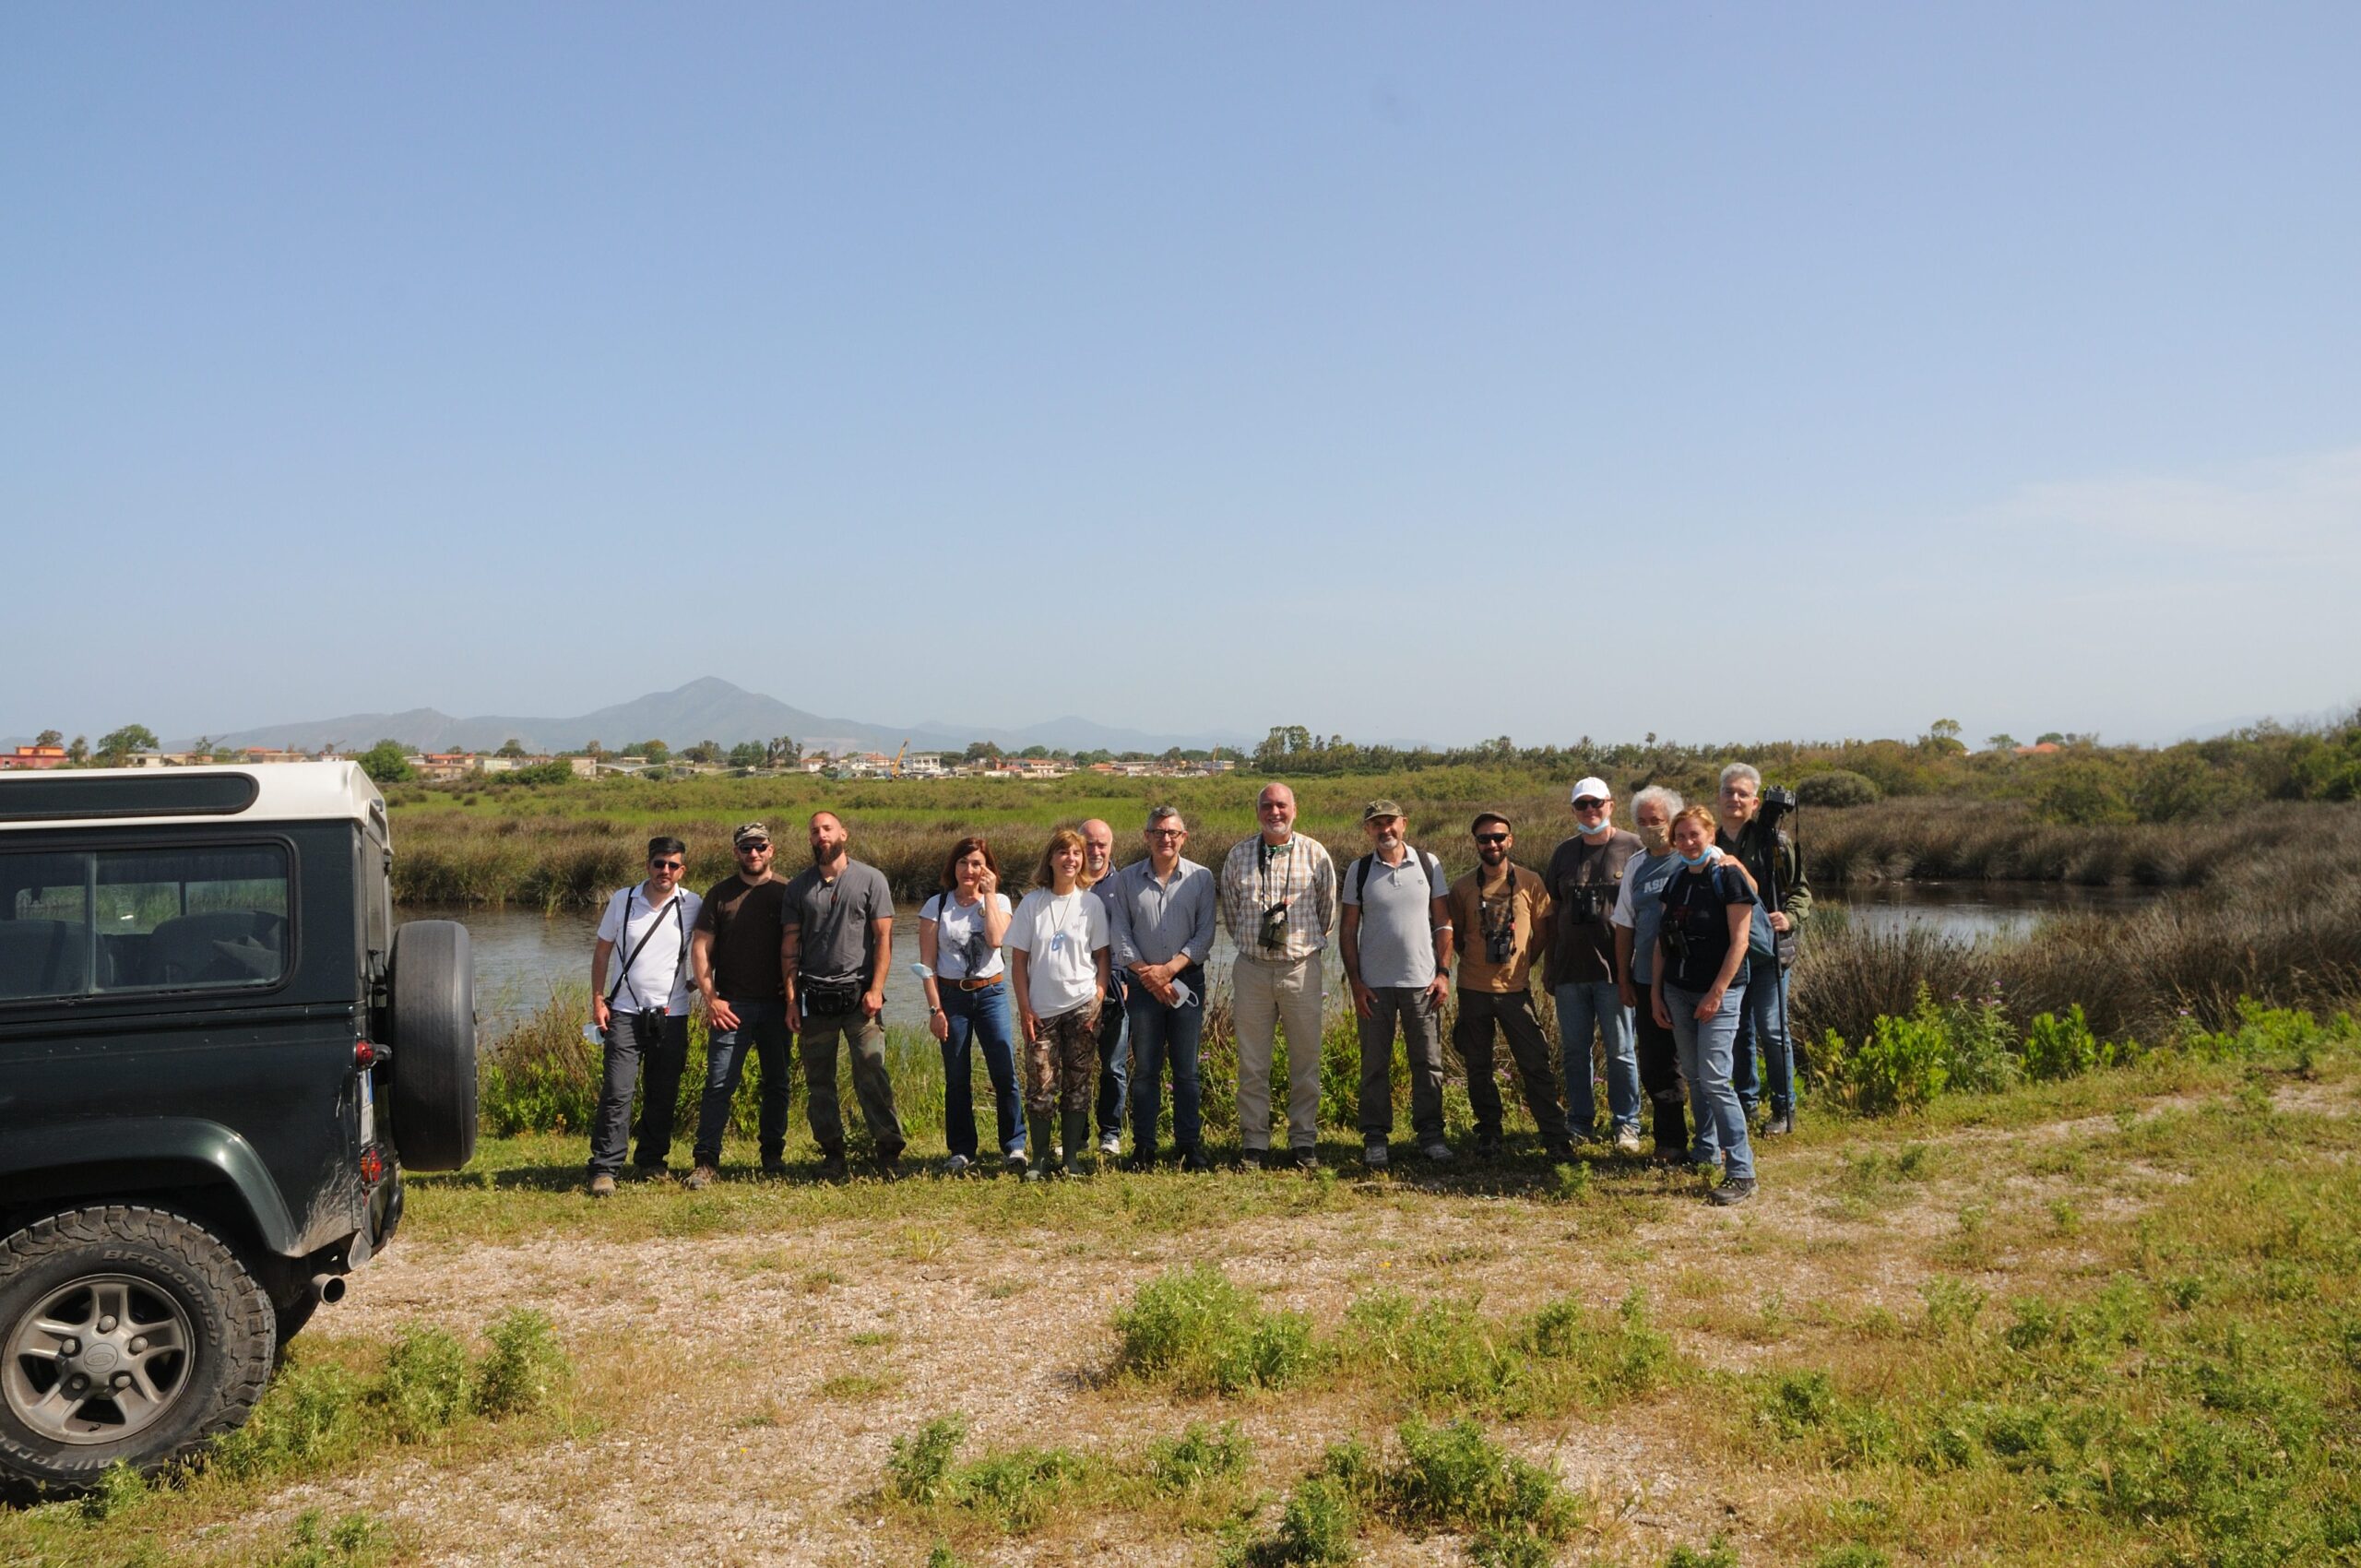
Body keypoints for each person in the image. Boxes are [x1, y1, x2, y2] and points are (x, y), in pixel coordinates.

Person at [1217, 782, 1339, 1170]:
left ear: (1295, 810)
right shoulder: (1238, 856)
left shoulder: (1315, 854)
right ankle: (1255, 1144)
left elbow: (1327, 913)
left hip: (1301, 970)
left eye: (1281, 805)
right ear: (1258, 812)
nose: (1275, 812)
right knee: (1252, 1064)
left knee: (1306, 1061)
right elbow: (1233, 917)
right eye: (1267, 806)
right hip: (1252, 971)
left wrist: (1299, 948)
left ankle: (1303, 1142)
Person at [781, 810, 905, 1180]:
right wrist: (791, 1000)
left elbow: (884, 939)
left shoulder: (871, 879)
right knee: (819, 1082)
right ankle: (832, 1152)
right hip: (814, 997)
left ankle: (888, 1150)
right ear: (810, 839)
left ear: (843, 834)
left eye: (828, 829)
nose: (821, 835)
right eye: (815, 830)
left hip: (860, 999)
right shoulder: (798, 887)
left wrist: (877, 990)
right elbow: (790, 947)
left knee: (872, 1073)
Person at [1445, 813, 1573, 1162]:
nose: (1492, 844)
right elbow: (1454, 936)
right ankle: (1488, 1133)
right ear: (1475, 843)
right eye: (1485, 839)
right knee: (1478, 1067)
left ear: (1510, 840)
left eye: (1499, 837)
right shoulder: (1461, 888)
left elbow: (1545, 930)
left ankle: (1555, 1136)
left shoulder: (1531, 881)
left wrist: (1525, 965)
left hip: (1516, 991)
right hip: (1473, 990)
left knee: (1535, 1064)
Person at [1652, 803, 1760, 1206]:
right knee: (1695, 1076)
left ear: (1710, 836)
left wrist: (1717, 992)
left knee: (1716, 1078)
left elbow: (1741, 941)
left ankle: (1742, 1171)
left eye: (1694, 835)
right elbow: (1661, 943)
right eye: (1680, 836)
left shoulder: (1728, 877)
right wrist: (1656, 993)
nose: (1687, 842)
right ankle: (1706, 1148)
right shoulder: (1677, 878)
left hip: (1720, 992)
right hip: (1679, 991)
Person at [585, 837, 704, 1195]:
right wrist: (597, 1000)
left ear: (682, 870)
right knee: (617, 1091)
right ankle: (604, 1169)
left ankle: (652, 1160)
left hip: (673, 1012)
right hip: (623, 1012)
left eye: (672, 865)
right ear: (648, 865)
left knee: (662, 1091)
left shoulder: (693, 904)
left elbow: (708, 949)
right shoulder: (623, 900)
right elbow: (602, 952)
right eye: (658, 864)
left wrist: (699, 984)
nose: (664, 871)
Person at [1340, 800, 1453, 1169]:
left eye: (1390, 822)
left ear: (1404, 823)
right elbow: (1347, 930)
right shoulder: (1358, 871)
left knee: (1428, 1063)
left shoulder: (1428, 863)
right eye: (1376, 824)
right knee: (1374, 1065)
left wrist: (1443, 973)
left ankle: (1431, 1135)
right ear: (1367, 830)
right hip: (1374, 986)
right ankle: (1375, 1138)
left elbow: (1443, 923)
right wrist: (1356, 984)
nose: (1384, 829)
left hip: (1422, 984)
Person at [1104, 806, 1216, 1171]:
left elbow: (1205, 935)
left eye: (1172, 832)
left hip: (1187, 982)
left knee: (1186, 1071)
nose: (1165, 838)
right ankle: (1145, 1147)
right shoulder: (1126, 880)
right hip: (1142, 988)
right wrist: (1148, 975)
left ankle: (1188, 1146)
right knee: (1146, 1070)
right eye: (1158, 831)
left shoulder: (1202, 878)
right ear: (1146, 836)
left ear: (1183, 837)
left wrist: (1168, 971)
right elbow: (1119, 934)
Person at [686, 823, 794, 1189]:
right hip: (731, 1007)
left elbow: (803, 945)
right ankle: (706, 1161)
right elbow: (700, 948)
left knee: (777, 1084)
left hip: (778, 1007)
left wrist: (796, 998)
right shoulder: (720, 894)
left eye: (759, 847)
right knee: (718, 1084)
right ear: (735, 852)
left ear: (771, 850)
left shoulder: (787, 891)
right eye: (746, 848)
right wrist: (711, 999)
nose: (753, 854)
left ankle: (773, 1155)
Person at [1542, 776, 1645, 1152]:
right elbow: (1552, 912)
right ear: (1573, 810)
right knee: (1574, 1051)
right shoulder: (1563, 853)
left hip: (1615, 974)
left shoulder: (1633, 848)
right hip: (1570, 971)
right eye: (1582, 805)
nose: (1590, 811)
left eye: (1596, 803)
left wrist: (1633, 971)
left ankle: (1627, 1124)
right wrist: (1548, 964)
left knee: (1620, 1051)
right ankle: (1580, 1121)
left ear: (1610, 804)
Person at [1610, 788, 1713, 1160]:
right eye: (1643, 822)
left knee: (1701, 1065)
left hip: (1694, 978)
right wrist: (1623, 978)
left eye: (1658, 821)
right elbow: (1624, 925)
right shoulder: (1636, 865)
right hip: (1645, 980)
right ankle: (1670, 1142)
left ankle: (1710, 1143)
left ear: (1672, 820)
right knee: (1657, 1065)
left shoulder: (1698, 857)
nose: (1652, 828)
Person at [1006, 828, 1112, 1179]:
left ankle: (1071, 1159)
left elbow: (1102, 956)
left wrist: (1098, 996)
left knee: (1078, 1085)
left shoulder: (1091, 903)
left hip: (1082, 1004)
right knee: (1041, 1085)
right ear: (1050, 858)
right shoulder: (1032, 904)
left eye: (1077, 853)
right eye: (1064, 852)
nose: (1071, 859)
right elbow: (1018, 960)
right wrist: (1024, 1008)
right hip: (1041, 1010)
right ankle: (1038, 1159)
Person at [1715, 763, 1813, 1135]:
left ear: (1755, 802)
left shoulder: (1776, 843)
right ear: (1720, 796)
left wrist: (1789, 917)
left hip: (1769, 952)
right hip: (1728, 954)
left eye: (1743, 794)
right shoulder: (1710, 840)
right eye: (1729, 792)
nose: (1735, 799)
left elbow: (1801, 891)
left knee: (1772, 1030)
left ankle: (1784, 1109)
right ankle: (1745, 1103)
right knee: (1738, 1030)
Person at [918, 837, 1023, 1176]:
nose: (969, 870)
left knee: (1004, 1071)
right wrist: (936, 1010)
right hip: (952, 998)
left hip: (991, 994)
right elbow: (926, 964)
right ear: (954, 867)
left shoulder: (1002, 901)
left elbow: (996, 940)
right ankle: (962, 1150)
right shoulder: (936, 905)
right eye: (963, 863)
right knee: (957, 1076)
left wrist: (989, 895)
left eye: (977, 863)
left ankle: (1014, 1146)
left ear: (988, 868)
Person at [1080, 819, 1130, 1160]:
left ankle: (1109, 1134)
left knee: (1113, 1066)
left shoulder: (1125, 884)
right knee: (1076, 1066)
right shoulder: (1067, 883)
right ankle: (1076, 1135)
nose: (1095, 851)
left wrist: (1125, 977)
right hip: (1073, 990)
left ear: (1112, 846)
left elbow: (1132, 932)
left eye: (1102, 844)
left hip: (1115, 988)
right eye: (1089, 844)